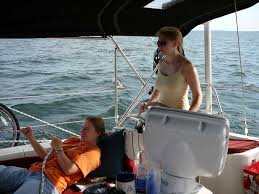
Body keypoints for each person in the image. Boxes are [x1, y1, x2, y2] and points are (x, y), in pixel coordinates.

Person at [0, 116, 105, 194]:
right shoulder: (73, 140)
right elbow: (47, 157)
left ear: (98, 133)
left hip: (49, 182)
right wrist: (30, 137)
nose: (82, 130)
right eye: (82, 127)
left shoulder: (93, 153)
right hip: (31, 172)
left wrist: (59, 149)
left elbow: (69, 169)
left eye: (87, 129)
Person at [141, 26, 202, 112]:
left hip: (179, 115)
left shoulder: (187, 66)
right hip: (161, 114)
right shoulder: (161, 62)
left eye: (163, 43)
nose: (159, 46)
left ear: (175, 43)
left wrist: (189, 116)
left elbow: (197, 96)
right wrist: (148, 106)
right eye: (158, 42)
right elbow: (158, 90)